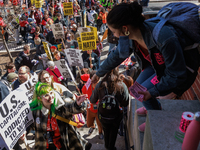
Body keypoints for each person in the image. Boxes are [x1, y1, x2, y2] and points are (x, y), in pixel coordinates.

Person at [91, 2, 200, 132]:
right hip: (157, 66)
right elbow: (116, 56)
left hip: (177, 72)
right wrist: (99, 73)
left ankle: (156, 118)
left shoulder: (164, 37)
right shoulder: (129, 37)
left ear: (125, 29)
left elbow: (176, 75)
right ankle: (152, 107)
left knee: (143, 92)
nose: (114, 35)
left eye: (114, 32)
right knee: (137, 90)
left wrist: (152, 92)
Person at [25, 82, 92, 150]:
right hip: (44, 144)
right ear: (39, 98)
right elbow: (30, 125)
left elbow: (71, 107)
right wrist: (24, 132)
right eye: (46, 95)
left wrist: (78, 104)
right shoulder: (35, 111)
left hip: (63, 141)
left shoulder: (60, 105)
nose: (50, 97)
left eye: (51, 93)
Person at [90, 68, 129, 150]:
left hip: (103, 116)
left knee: (106, 130)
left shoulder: (100, 85)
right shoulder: (122, 85)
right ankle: (111, 147)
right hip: (116, 116)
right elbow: (125, 103)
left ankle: (107, 146)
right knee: (114, 131)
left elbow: (92, 100)